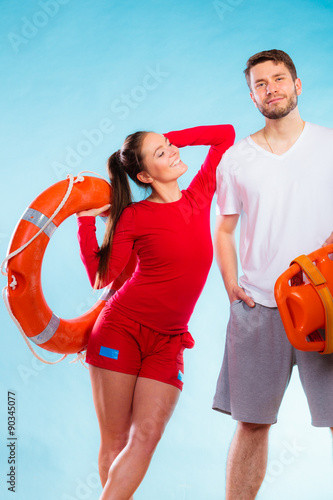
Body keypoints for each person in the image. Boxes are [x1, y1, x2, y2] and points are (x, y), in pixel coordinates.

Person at [76, 124, 235, 499]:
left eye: (170, 146)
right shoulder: (133, 216)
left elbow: (224, 135)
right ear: (145, 175)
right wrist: (85, 223)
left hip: (169, 341)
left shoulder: (199, 194)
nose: (174, 152)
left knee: (146, 436)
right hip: (121, 329)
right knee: (115, 440)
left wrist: (170, 136)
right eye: (162, 153)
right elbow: (103, 277)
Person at [212, 49, 333, 499]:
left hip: (326, 302)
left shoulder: (329, 143)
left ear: (297, 85)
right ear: (251, 96)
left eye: (279, 79)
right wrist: (230, 284)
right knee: (251, 422)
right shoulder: (236, 159)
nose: (272, 89)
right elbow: (224, 230)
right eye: (261, 84)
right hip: (260, 306)